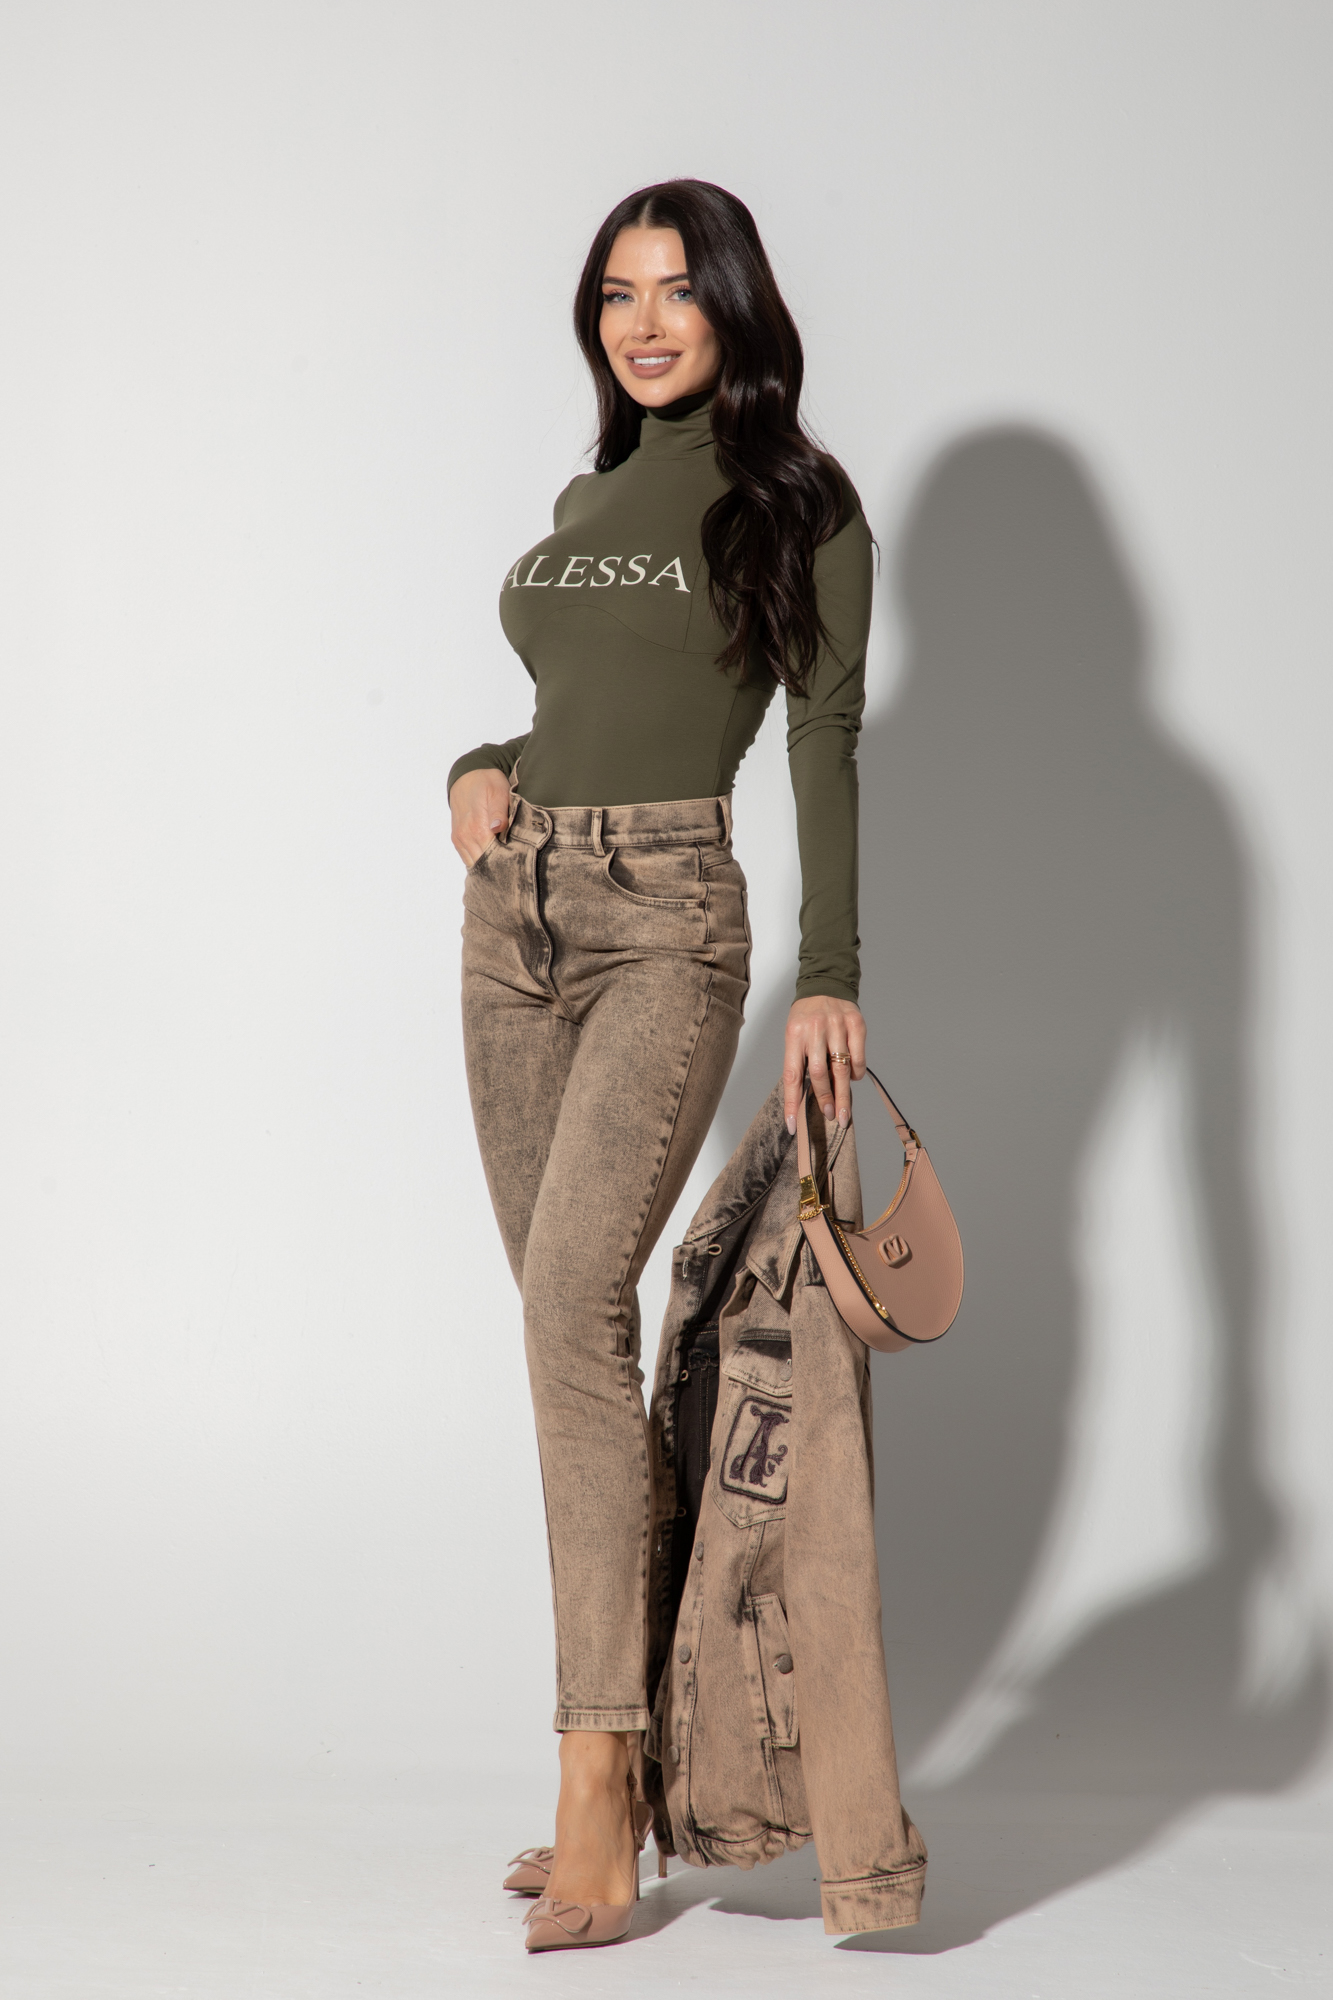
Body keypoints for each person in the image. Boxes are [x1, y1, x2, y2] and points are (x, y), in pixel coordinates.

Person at [448, 179, 871, 1952]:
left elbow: (823, 729)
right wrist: (477, 768)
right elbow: (568, 709)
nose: (641, 321)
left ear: (733, 311)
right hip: (515, 916)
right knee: (570, 1344)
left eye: (675, 291)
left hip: (666, 920)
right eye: (616, 293)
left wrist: (829, 975)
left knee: (570, 1309)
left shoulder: (794, 499)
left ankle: (592, 1781)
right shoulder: (586, 500)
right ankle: (630, 1760)